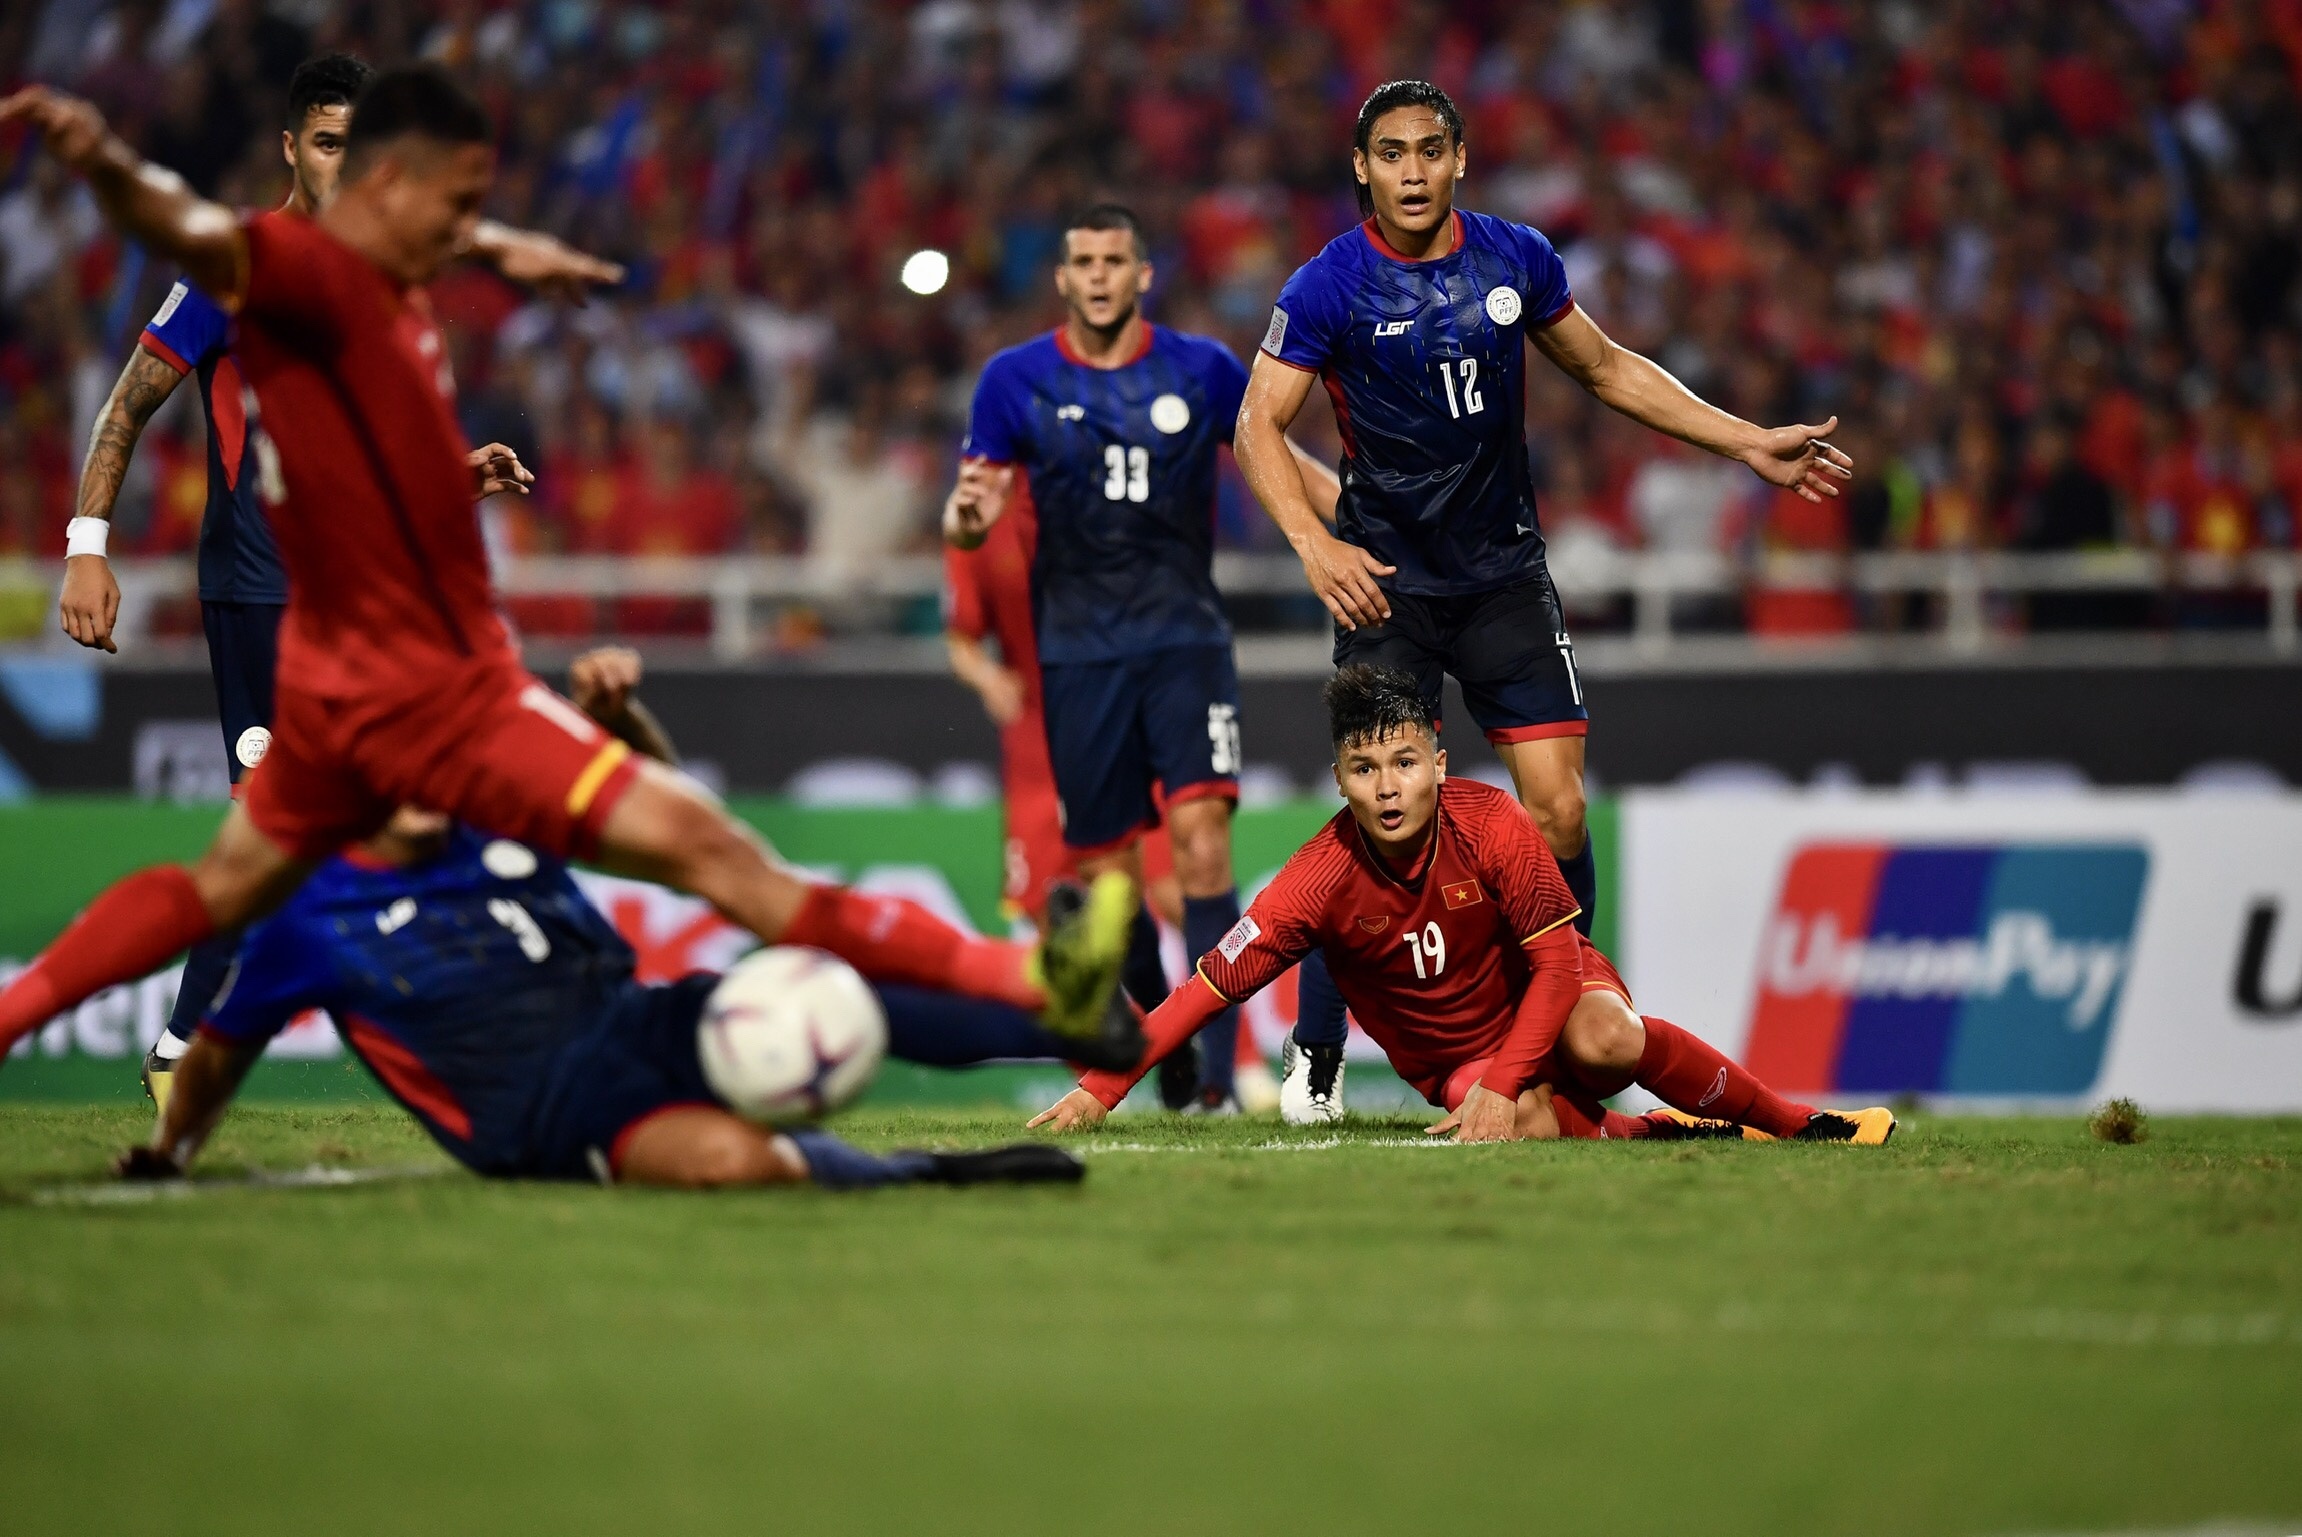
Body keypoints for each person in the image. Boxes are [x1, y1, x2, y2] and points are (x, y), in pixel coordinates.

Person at [0, 71, 1136, 1076]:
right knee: (237, 884)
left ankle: (1038, 988)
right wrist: (100, 159)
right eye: (456, 200)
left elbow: (368, 454)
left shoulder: (398, 284)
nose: (468, 226)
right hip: (365, 683)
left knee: (705, 849)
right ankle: (112, 1038)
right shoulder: (278, 269)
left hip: (437, 684)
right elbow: (185, 232)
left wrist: (495, 289)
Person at [1231, 80, 1854, 1115]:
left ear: (1459, 157)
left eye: (1430, 150)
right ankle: (1317, 1053)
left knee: (1559, 805)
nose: (1413, 171)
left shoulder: (1515, 257)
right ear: (1361, 168)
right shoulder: (1327, 287)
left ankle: (1564, 1018)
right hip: (1384, 583)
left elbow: (1607, 369)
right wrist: (1310, 544)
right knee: (1382, 816)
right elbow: (1257, 425)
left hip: (1502, 575)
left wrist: (1747, 440)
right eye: (1391, 154)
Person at [50, 53, 603, 1103]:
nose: (346, 167)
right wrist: (87, 546)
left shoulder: (370, 284)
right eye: (331, 143)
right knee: (277, 835)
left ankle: (208, 1052)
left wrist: (453, 475)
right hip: (258, 596)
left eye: (363, 147)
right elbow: (127, 407)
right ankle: (184, 1060)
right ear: (294, 147)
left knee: (350, 833)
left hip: (353, 596)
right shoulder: (234, 269)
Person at [116, 648, 1109, 1191]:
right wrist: (173, 1152)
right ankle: (927, 1175)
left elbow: (670, 815)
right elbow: (218, 1053)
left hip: (639, 1021)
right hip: (548, 1118)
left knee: (829, 998)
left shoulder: (488, 821)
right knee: (730, 1166)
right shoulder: (311, 916)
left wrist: (620, 723)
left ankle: (1069, 1019)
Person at [1029, 664, 1895, 1147]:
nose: (1388, 787)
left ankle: (1797, 1121)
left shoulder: (1494, 822)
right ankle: (1660, 1136)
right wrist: (1102, 1091)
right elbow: (1206, 988)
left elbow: (1558, 964)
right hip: (1448, 1057)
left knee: (1609, 1040)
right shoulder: (1316, 879)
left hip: (1547, 1008)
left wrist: (1512, 1072)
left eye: (1405, 762)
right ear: (1339, 781)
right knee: (1507, 1118)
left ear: (1440, 761)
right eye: (1365, 771)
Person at [944, 202, 1339, 1111]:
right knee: (1107, 879)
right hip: (1078, 657)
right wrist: (965, 515)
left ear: (1141, 272)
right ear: (1062, 275)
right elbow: (972, 507)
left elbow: (1265, 451)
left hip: (1186, 641)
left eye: (1113, 259)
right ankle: (1169, 1045)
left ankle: (1214, 1080)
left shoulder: (1200, 368)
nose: (1096, 275)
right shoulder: (1015, 380)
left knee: (1202, 849)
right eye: (1081, 259)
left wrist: (1350, 505)